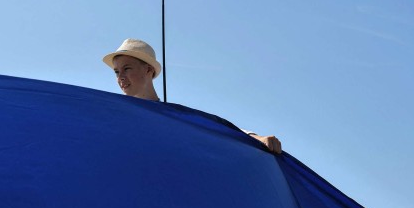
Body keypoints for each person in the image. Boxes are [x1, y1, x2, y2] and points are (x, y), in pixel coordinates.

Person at [103, 39, 282, 154]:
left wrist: (255, 139)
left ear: (148, 70)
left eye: (127, 69)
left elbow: (214, 127)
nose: (120, 78)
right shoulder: (112, 115)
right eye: (116, 72)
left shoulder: (172, 116)